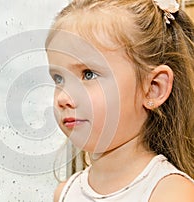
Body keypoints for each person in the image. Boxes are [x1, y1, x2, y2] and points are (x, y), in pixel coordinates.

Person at [45, 0, 194, 201]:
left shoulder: (172, 193)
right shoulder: (64, 193)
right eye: (59, 79)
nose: (63, 98)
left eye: (88, 74)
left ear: (153, 89)